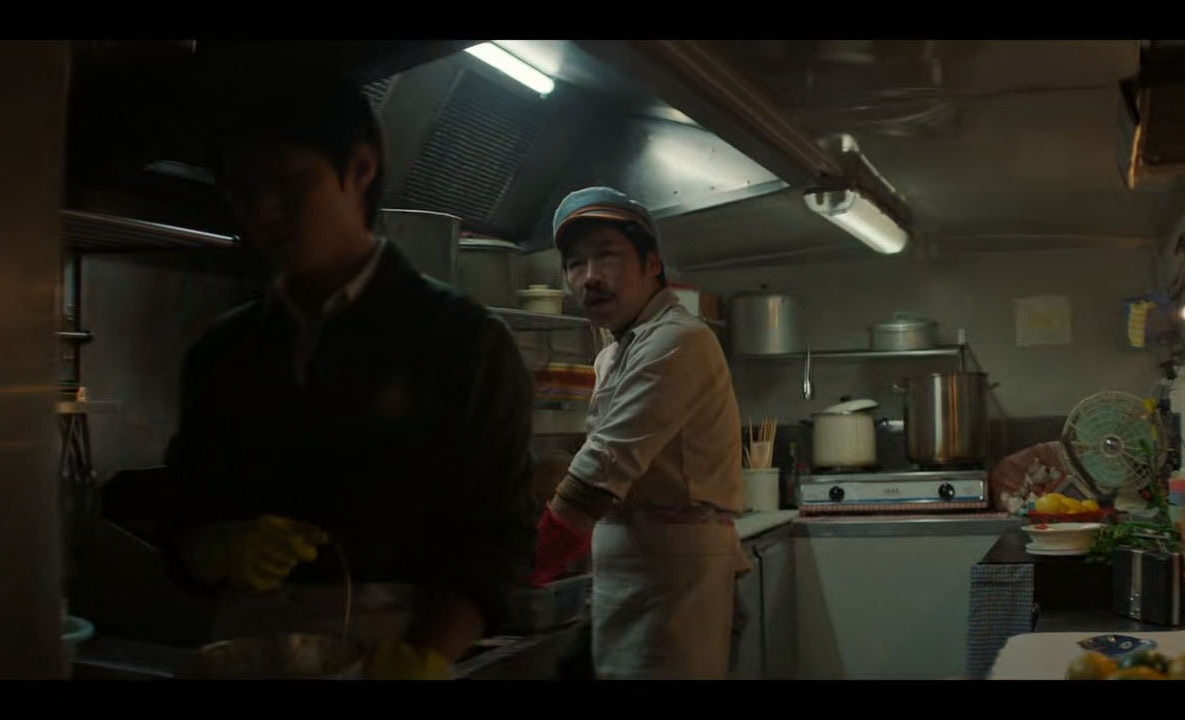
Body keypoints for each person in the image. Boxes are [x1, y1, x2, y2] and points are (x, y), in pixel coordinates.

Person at [155, 64, 536, 680]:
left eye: (289, 183)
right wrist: (210, 546)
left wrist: (425, 654)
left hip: (394, 646)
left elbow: (499, 537)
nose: (264, 212)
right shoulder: (222, 352)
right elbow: (181, 511)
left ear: (360, 169)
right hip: (248, 650)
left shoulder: (461, 341)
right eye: (244, 191)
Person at [528, 186, 750, 680]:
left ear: (652, 263)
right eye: (575, 263)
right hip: (637, 570)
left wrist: (529, 570)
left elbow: (601, 470)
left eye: (605, 255)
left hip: (673, 576)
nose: (588, 277)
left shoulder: (676, 339)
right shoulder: (615, 351)